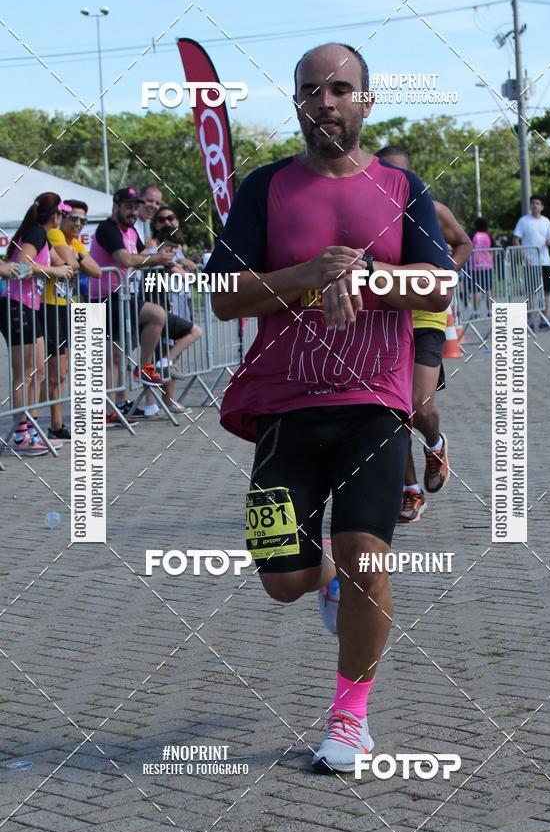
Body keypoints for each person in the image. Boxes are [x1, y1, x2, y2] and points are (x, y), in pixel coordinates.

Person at [205, 42, 454, 773]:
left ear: (366, 101)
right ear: (297, 103)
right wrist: (309, 276)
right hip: (284, 404)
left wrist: (372, 279)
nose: (327, 101)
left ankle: (350, 718)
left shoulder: (401, 189)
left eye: (341, 89)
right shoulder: (263, 188)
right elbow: (224, 298)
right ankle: (327, 582)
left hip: (375, 402)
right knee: (283, 578)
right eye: (312, 91)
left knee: (367, 555)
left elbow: (438, 289)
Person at [374, 146, 471, 524]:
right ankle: (410, 492)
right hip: (386, 316)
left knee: (418, 406)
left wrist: (447, 271)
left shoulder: (433, 208)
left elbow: (463, 243)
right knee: (390, 412)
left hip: (427, 315)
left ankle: (435, 444)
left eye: (400, 176)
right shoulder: (370, 215)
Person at [89, 187, 173, 423]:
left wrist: (163, 256)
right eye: (128, 207)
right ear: (116, 206)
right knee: (113, 355)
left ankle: (120, 403)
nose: (133, 211)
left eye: (136, 207)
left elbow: (141, 254)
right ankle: (109, 407)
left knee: (118, 354)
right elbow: (127, 260)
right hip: (105, 298)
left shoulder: (131, 231)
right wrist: (156, 258)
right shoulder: (108, 229)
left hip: (122, 297)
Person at [0, 193, 73, 455]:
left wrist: (64, 264)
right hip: (16, 305)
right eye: (64, 215)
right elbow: (21, 266)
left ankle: (31, 428)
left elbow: (62, 262)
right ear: (56, 216)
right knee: (25, 373)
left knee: (38, 372)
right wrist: (55, 272)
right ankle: (21, 435)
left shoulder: (43, 235)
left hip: (31, 307)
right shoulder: (37, 233)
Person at [42, 200, 102, 440]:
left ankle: (52, 423)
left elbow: (96, 270)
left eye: (83, 221)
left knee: (62, 372)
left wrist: (76, 256)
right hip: (49, 306)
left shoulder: (74, 242)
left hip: (66, 306)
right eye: (74, 219)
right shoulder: (55, 234)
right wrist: (77, 259)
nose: (78, 224)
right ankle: (43, 422)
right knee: (56, 372)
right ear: (62, 217)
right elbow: (75, 264)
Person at [143, 226, 202, 413]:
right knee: (194, 331)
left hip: (157, 311)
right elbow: (185, 278)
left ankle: (151, 405)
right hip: (153, 314)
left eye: (175, 248)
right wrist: (184, 267)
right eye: (169, 247)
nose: (171, 252)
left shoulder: (152, 255)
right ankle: (165, 364)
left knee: (150, 360)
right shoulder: (157, 256)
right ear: (160, 242)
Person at [513, 195, 550, 329]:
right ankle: (530, 319)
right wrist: (524, 256)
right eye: (532, 203)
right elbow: (516, 239)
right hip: (530, 262)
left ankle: (544, 319)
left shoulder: (546, 221)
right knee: (531, 292)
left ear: (542, 207)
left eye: (537, 203)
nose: (534, 205)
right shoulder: (524, 221)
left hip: (545, 261)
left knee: (547, 291)